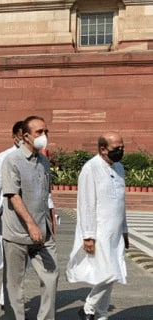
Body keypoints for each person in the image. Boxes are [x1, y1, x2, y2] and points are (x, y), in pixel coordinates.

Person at [0, 121, 58, 308]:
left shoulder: (43, 161)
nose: (43, 136)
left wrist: (50, 216)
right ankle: (6, 300)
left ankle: (11, 301)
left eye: (45, 132)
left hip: (40, 223)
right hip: (12, 220)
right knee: (13, 269)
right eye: (39, 132)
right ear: (19, 136)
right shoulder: (5, 158)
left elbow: (45, 193)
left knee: (47, 273)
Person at [66, 132, 129, 320]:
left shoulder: (119, 168)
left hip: (116, 232)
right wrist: (88, 235)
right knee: (110, 273)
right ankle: (89, 307)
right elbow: (85, 204)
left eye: (122, 148)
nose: (120, 151)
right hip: (98, 232)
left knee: (112, 273)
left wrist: (125, 232)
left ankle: (100, 314)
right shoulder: (90, 168)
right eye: (116, 148)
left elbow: (120, 203)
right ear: (102, 149)